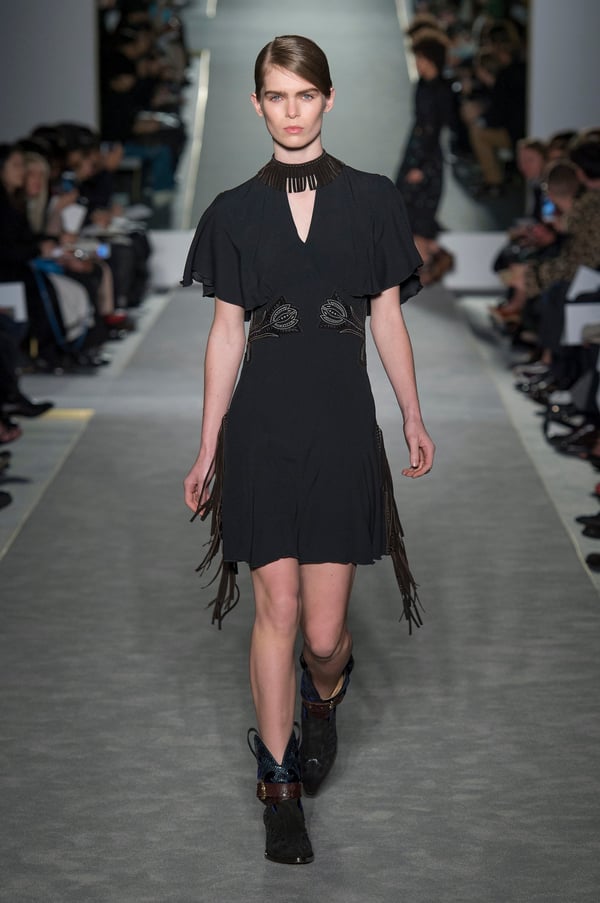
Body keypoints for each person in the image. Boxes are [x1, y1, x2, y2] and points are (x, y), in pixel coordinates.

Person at [181, 35, 434, 866]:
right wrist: (207, 445)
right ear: (256, 103)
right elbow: (226, 334)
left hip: (341, 425)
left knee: (324, 639)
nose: (290, 111)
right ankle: (279, 784)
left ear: (328, 99)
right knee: (277, 610)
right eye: (276, 96)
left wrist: (413, 413)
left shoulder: (373, 199)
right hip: (261, 428)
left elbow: (387, 317)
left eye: (304, 95)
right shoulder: (232, 211)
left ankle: (322, 702)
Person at [395, 33, 456, 283]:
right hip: (417, 149)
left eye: (420, 58)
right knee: (406, 207)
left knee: (412, 209)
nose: (417, 63)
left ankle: (423, 264)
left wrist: (420, 165)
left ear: (431, 59)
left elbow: (435, 129)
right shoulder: (423, 85)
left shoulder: (442, 90)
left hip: (426, 157)